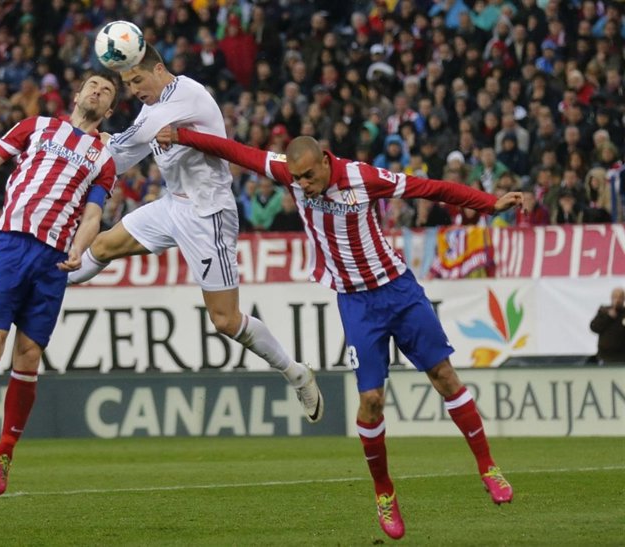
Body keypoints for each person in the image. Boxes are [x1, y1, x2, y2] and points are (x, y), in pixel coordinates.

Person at [157, 127, 522, 540]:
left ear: (326, 162)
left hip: (399, 290)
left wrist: (489, 203)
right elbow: (233, 150)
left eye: (309, 176)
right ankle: (384, 492)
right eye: (297, 179)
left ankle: (488, 467)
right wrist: (181, 134)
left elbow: (430, 188)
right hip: (356, 303)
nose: (303, 185)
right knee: (371, 401)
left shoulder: (363, 178)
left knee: (444, 376)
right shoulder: (287, 173)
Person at [68, 45, 323, 423]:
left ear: (159, 69)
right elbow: (122, 158)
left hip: (208, 214)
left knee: (225, 320)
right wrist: (100, 149)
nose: (134, 90)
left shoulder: (186, 94)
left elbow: (128, 143)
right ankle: (44, 282)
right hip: (173, 205)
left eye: (137, 80)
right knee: (103, 245)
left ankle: (295, 372)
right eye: (128, 84)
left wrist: (94, 140)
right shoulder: (152, 107)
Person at [0, 72, 122, 496]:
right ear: (77, 94)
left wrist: (80, 249)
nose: (98, 91)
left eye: (107, 91)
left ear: (109, 111)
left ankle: (4, 454)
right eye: (93, 84)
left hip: (54, 261)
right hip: (12, 244)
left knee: (29, 357)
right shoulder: (36, 126)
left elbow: (92, 215)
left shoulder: (104, 160)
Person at [589, 287, 625, 365]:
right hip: (605, 356)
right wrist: (608, 317)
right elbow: (594, 327)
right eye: (615, 297)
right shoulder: (604, 311)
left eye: (620, 297)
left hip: (622, 356)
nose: (618, 300)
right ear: (611, 298)